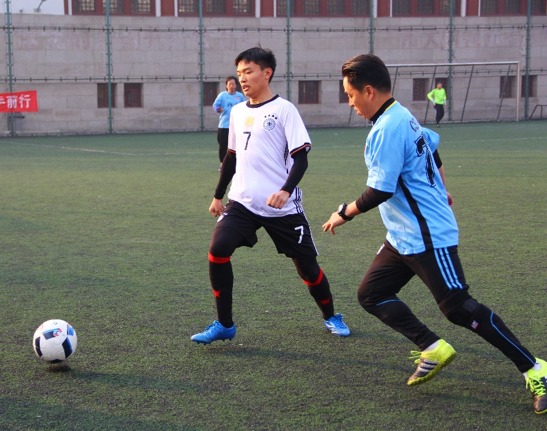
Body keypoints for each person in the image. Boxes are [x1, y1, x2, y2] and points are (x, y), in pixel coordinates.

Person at [322, 53, 546, 415]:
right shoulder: (401, 114)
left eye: (350, 95)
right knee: (372, 294)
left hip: (427, 234)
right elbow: (432, 146)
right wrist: (442, 185)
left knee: (459, 308)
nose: (350, 103)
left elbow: (380, 190)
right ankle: (432, 347)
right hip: (403, 235)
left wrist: (344, 213)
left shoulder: (387, 128)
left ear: (368, 91)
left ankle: (535, 369)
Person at [191, 47, 350, 345]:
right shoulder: (238, 112)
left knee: (307, 268)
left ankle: (331, 315)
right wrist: (218, 195)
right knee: (218, 249)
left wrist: (285, 190)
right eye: (239, 73)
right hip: (243, 202)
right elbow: (231, 157)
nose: (242, 79)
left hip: (283, 207)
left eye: (248, 72)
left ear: (267, 73)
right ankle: (224, 324)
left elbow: (301, 158)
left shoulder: (285, 110)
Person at [213, 76, 245, 170]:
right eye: (229, 84)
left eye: (233, 84)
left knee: (236, 146)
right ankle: (222, 164)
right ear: (226, 85)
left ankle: (236, 164)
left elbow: (244, 107)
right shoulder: (222, 95)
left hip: (236, 125)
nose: (231, 86)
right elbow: (215, 105)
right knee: (223, 146)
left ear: (236, 85)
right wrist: (218, 109)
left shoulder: (240, 96)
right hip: (224, 125)